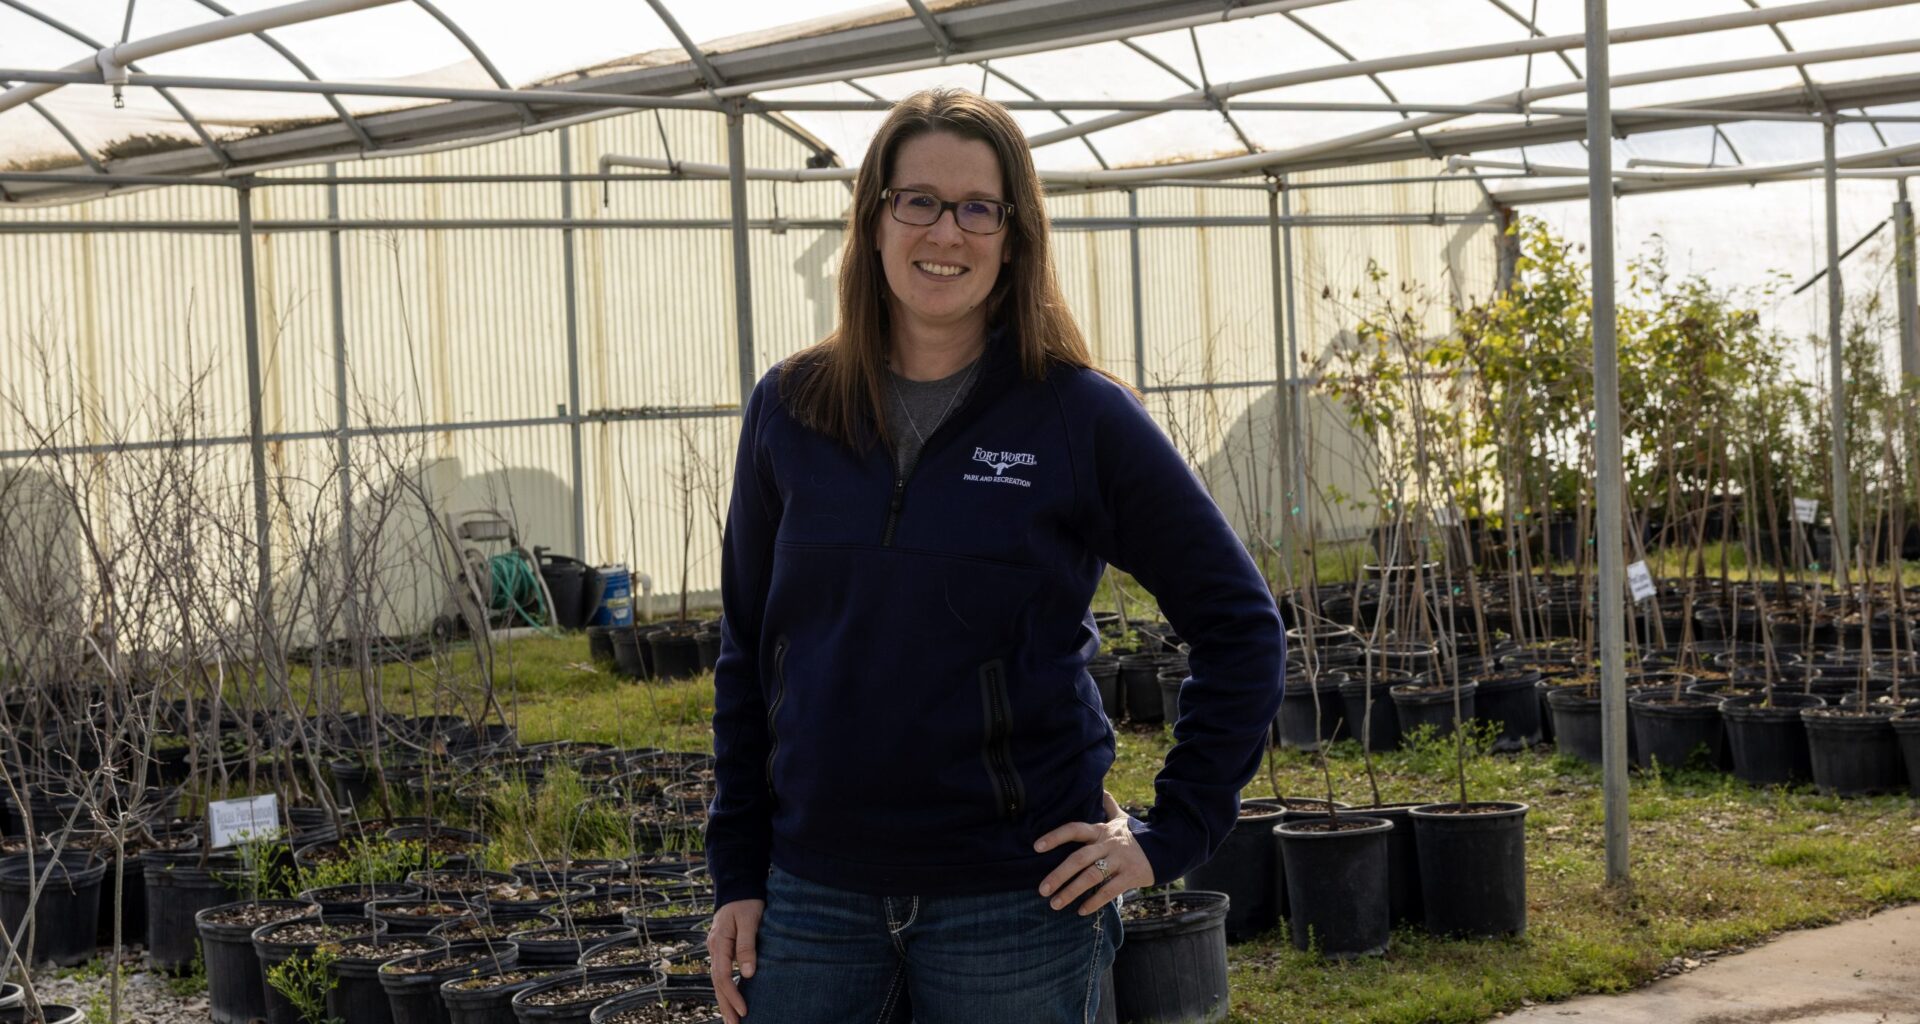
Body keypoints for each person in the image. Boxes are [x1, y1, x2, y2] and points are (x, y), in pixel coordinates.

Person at [705, 88, 1285, 1024]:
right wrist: (736, 868)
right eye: (919, 201)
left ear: (1013, 236)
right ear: (874, 218)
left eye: (979, 207)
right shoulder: (791, 409)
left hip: (1017, 901)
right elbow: (746, 650)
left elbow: (1241, 625)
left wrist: (1170, 832)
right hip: (813, 896)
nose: (949, 231)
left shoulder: (1078, 417)